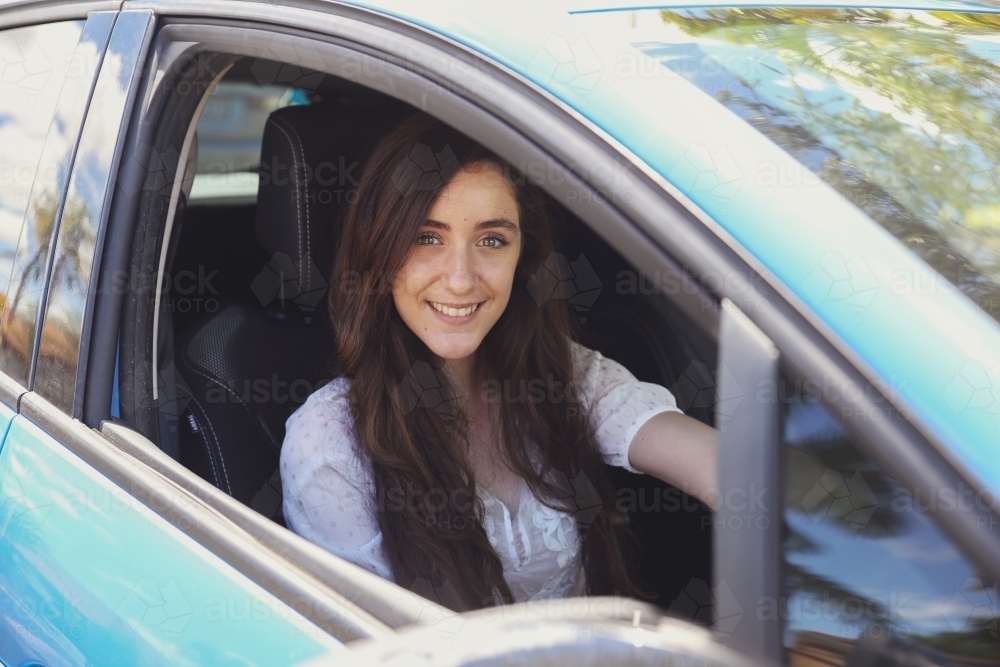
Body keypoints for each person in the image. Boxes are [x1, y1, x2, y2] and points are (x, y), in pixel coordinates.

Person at [280, 114, 718, 611]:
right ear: (379, 251)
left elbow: (722, 468)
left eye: (492, 240)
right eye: (427, 237)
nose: (462, 280)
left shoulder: (562, 375)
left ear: (521, 256)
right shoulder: (330, 444)